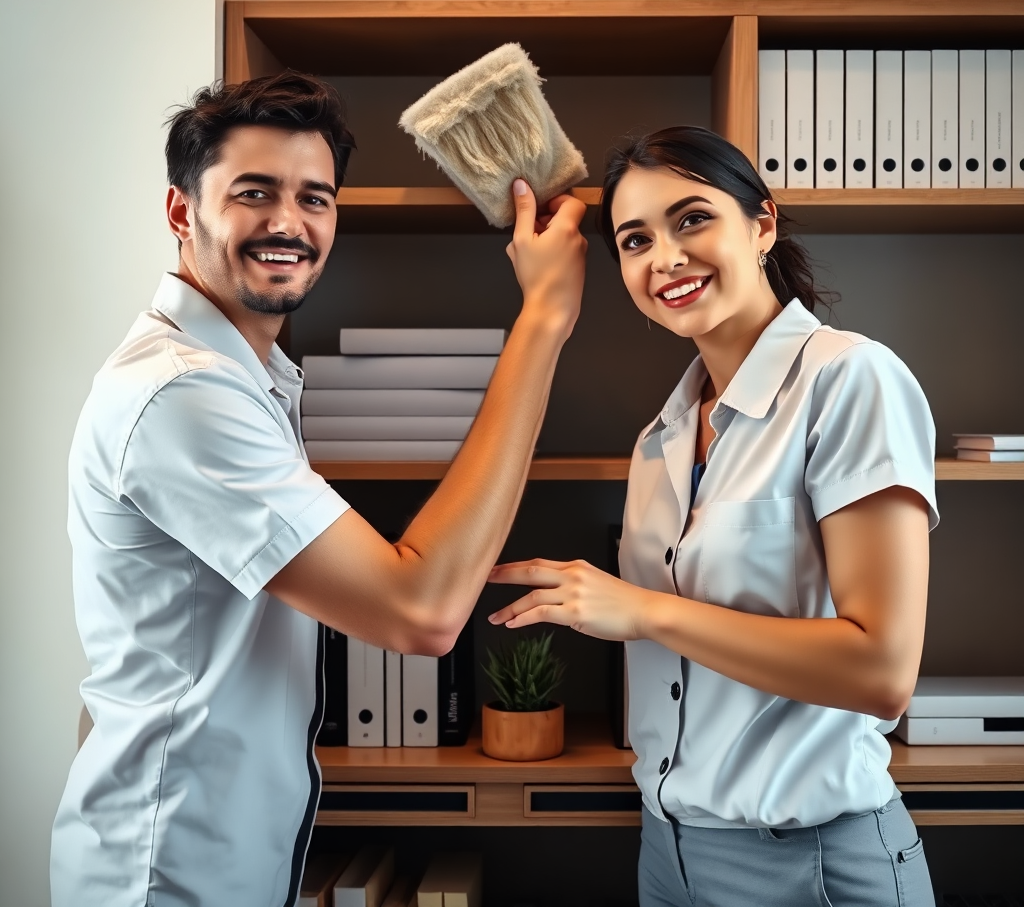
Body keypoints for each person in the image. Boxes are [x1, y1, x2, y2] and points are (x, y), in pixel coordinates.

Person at [52, 71, 587, 907]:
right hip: (166, 875)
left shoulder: (246, 375)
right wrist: (544, 319)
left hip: (218, 857)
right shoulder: (182, 394)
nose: (288, 224)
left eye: (315, 198)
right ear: (179, 213)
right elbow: (421, 610)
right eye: (253, 193)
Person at [489, 126, 938, 906]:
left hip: (811, 862)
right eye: (635, 240)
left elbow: (881, 673)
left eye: (692, 218)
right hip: (668, 854)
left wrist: (643, 612)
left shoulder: (850, 379)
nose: (665, 258)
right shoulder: (660, 438)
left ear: (761, 224)